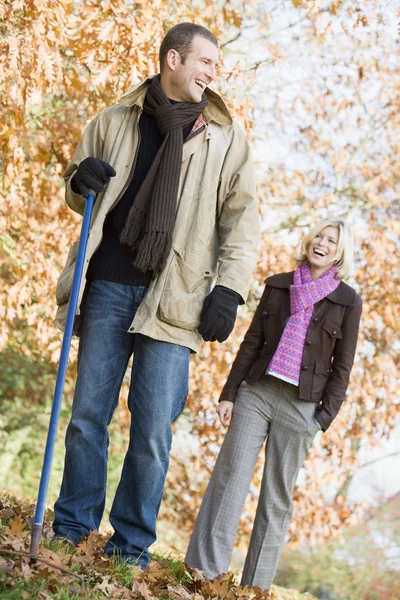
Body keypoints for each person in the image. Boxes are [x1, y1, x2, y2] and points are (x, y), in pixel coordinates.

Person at [52, 22, 259, 567]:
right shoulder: (116, 118)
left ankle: (130, 547)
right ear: (173, 59)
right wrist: (81, 181)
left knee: (151, 432)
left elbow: (242, 220)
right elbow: (79, 188)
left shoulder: (224, 135)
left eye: (217, 65)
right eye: (205, 62)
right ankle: (71, 527)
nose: (214, 73)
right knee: (87, 417)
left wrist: (231, 291)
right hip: (108, 286)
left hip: (177, 299)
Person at [185, 218, 362, 590]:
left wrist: (321, 419)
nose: (323, 243)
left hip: (302, 407)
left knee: (276, 499)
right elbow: (251, 343)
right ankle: (201, 574)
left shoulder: (348, 301)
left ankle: (254, 589)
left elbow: (342, 366)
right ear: (309, 240)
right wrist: (229, 393)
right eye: (319, 236)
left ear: (339, 253)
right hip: (257, 393)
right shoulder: (277, 285)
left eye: (332, 241)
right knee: (229, 479)